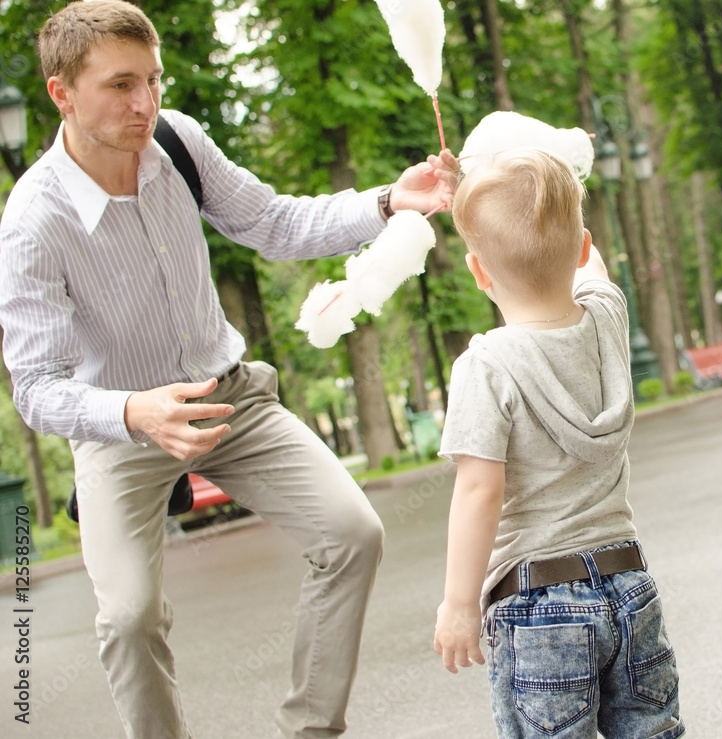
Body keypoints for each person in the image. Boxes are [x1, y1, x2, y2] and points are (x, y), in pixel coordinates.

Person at [0, 2, 457, 737]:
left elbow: (271, 222)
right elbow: (39, 388)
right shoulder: (33, 221)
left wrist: (387, 203)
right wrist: (134, 412)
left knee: (353, 534)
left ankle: (310, 727)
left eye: (152, 79)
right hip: (122, 433)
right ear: (62, 92)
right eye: (120, 85)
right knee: (127, 616)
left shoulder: (177, 142)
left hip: (232, 397)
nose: (144, 102)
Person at [432, 150, 684, 738]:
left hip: (539, 605)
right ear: (579, 248)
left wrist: (459, 603)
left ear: (478, 271)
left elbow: (478, 491)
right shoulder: (608, 317)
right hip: (629, 585)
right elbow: (589, 263)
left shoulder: (486, 366)